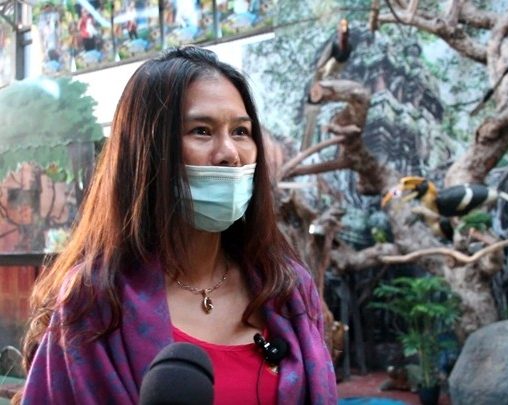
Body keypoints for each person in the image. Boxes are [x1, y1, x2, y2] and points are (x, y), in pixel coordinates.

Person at [18, 46, 337, 404]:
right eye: (201, 131)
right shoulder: (94, 302)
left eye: (240, 131)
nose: (229, 153)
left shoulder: (288, 289)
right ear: (147, 150)